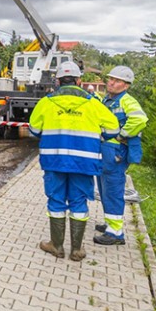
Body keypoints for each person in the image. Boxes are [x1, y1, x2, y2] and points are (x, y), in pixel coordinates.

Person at [30, 62, 120, 261]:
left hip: (54, 161)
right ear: (79, 81)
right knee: (79, 201)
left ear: (58, 81)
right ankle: (77, 250)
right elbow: (113, 129)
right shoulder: (93, 103)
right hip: (85, 162)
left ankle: (56, 246)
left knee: (56, 200)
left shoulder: (46, 102)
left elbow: (34, 130)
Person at [93, 66, 148, 245]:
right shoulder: (108, 99)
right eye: (110, 79)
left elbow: (140, 119)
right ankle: (110, 224)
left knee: (113, 189)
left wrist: (122, 134)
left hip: (115, 151)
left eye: (116, 81)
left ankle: (116, 233)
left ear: (126, 85)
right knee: (104, 188)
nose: (111, 82)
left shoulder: (127, 101)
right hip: (105, 149)